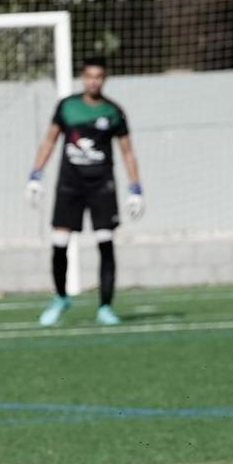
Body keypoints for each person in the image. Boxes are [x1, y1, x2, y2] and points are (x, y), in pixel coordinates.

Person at [26, 56, 144, 327]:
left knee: (105, 242)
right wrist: (35, 175)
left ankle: (105, 306)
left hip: (102, 186)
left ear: (105, 79)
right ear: (83, 77)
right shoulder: (67, 107)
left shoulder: (113, 112)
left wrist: (135, 189)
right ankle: (60, 297)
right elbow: (49, 140)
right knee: (59, 243)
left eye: (99, 76)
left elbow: (128, 152)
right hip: (70, 184)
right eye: (89, 76)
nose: (93, 81)